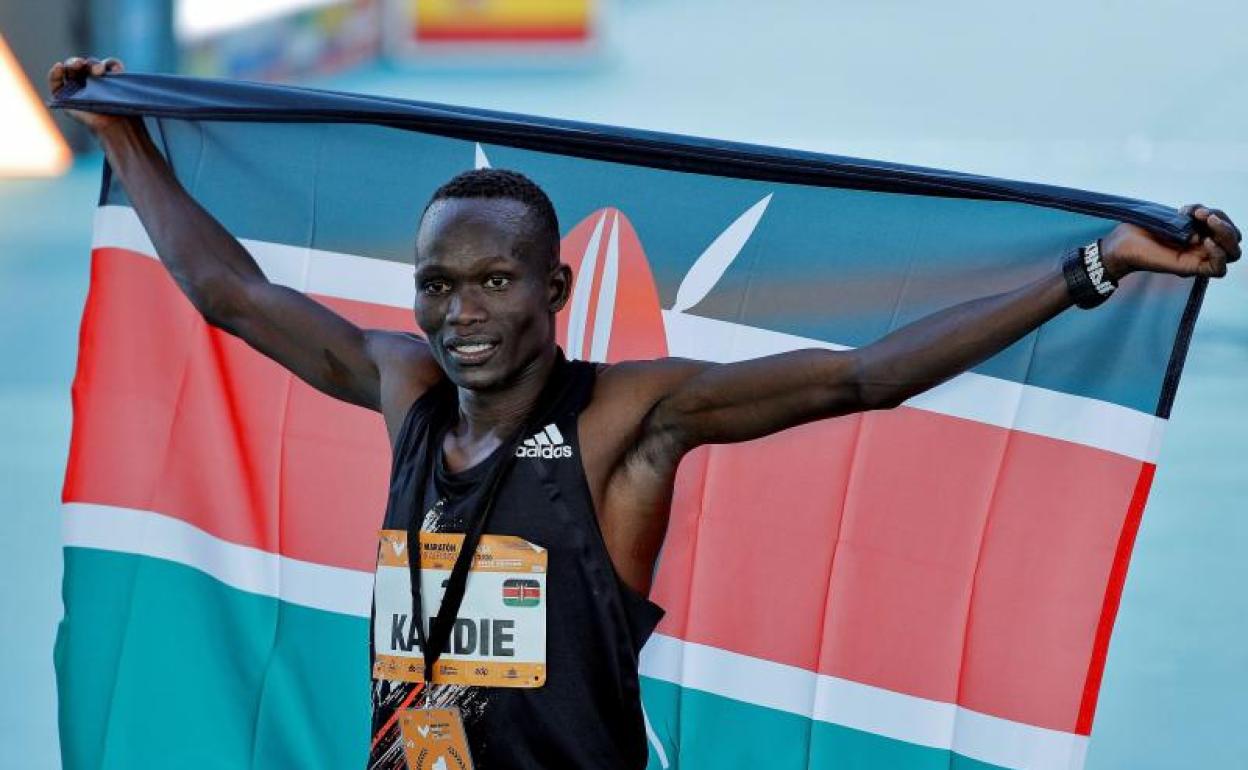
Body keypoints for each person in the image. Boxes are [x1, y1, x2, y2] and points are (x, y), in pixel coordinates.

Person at [50, 56, 1241, 770]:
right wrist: (122, 134)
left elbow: (861, 376)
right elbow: (232, 292)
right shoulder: (405, 387)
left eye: (494, 281)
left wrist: (1091, 268)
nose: (459, 311)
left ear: (557, 290)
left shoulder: (628, 420)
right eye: (437, 283)